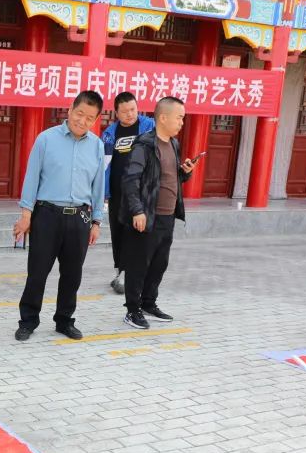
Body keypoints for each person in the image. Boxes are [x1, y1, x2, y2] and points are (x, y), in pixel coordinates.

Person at [13, 91, 106, 342]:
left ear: (95, 119)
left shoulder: (97, 146)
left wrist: (97, 221)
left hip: (79, 218)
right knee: (37, 273)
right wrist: (26, 215)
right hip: (47, 215)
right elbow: (31, 178)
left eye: (89, 118)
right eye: (79, 113)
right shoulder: (46, 139)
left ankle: (64, 321)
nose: (82, 121)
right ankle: (28, 321)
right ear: (70, 109)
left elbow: (98, 186)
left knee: (72, 275)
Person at [120, 96, 197, 330]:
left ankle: (148, 303)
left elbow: (168, 178)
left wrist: (185, 172)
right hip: (146, 217)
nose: (182, 122)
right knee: (138, 265)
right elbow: (130, 179)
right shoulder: (144, 145)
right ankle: (132, 310)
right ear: (163, 118)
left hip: (167, 216)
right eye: (179, 117)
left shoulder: (173, 144)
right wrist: (137, 210)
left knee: (159, 264)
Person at [101, 91, 155, 295]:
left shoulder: (150, 126)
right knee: (118, 232)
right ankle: (120, 272)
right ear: (116, 113)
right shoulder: (109, 133)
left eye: (133, 109)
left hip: (140, 192)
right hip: (117, 193)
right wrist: (102, 192)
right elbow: (103, 165)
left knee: (136, 233)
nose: (130, 114)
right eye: (125, 111)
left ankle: (131, 274)